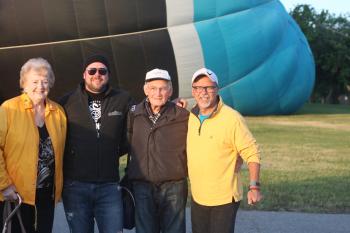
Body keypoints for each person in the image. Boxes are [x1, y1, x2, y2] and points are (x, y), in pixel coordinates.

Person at [59, 54, 132, 233]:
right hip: (75, 186)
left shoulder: (123, 99)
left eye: (102, 71)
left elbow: (137, 126)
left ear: (108, 75)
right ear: (84, 74)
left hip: (109, 186)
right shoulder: (67, 102)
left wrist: (172, 105)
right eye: (92, 70)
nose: (97, 74)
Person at [187, 68, 263, 233]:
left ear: (217, 89)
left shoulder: (232, 118)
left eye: (209, 87)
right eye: (199, 88)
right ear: (193, 91)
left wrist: (254, 187)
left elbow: (252, 152)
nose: (204, 92)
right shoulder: (190, 117)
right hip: (198, 196)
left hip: (224, 198)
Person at [0, 58, 67, 233]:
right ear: (24, 84)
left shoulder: (58, 112)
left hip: (46, 195)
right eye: (35, 81)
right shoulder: (8, 108)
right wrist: (4, 185)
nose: (40, 86)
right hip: (16, 195)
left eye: (45, 81)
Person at [127, 68, 189, 233]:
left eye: (162, 88)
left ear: (170, 91)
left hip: (174, 186)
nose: (158, 93)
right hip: (142, 186)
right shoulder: (133, 115)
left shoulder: (183, 116)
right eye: (153, 88)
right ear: (146, 90)